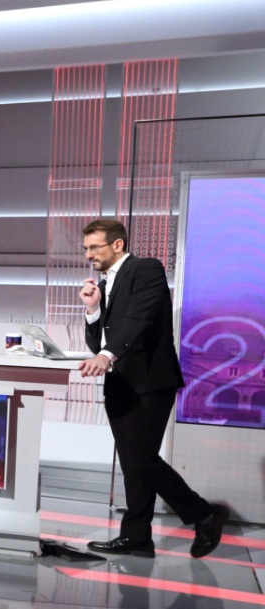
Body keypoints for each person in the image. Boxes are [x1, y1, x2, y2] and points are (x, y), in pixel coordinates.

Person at [78, 218, 226, 559]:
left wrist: (106, 354)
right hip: (120, 383)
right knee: (132, 463)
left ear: (117, 244)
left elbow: (138, 320)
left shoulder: (146, 269)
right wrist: (93, 309)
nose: (88, 255)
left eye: (94, 247)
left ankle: (205, 514)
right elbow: (99, 343)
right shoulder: (105, 284)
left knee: (142, 459)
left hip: (150, 382)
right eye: (85, 249)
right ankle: (137, 538)